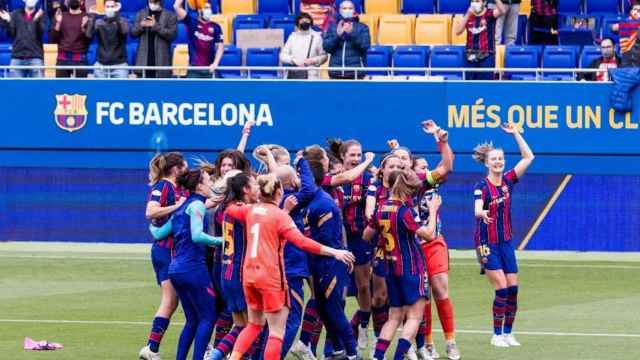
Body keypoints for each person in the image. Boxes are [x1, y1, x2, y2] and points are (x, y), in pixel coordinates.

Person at [226, 174, 355, 360]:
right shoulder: (280, 216)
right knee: (277, 332)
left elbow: (230, 208)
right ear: (279, 192)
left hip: (248, 276)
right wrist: (335, 252)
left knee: (254, 325)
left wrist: (227, 189)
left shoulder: (250, 210)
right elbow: (302, 242)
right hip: (270, 277)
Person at [363, 171, 442, 360]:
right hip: (412, 267)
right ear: (408, 190)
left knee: (394, 316)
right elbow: (429, 234)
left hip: (391, 268)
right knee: (414, 316)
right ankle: (398, 357)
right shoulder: (405, 212)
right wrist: (433, 210)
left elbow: (366, 235)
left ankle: (378, 356)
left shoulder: (381, 208)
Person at [473, 123, 534, 348]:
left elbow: (528, 157)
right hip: (486, 243)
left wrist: (516, 133)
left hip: (506, 241)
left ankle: (508, 333)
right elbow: (477, 208)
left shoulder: (508, 181)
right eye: (494, 159)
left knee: (513, 289)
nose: (498, 161)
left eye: (500, 158)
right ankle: (496, 334)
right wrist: (482, 212)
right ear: (486, 163)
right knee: (502, 288)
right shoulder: (482, 186)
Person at [139, 152, 188, 360]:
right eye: (184, 166)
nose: (186, 169)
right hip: (165, 250)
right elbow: (150, 212)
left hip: (173, 250)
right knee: (171, 300)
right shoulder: (163, 186)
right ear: (176, 168)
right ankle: (150, 348)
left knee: (175, 300)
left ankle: (152, 347)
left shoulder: (177, 187)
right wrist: (177, 207)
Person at [207, 172, 260, 360]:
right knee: (253, 328)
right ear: (245, 189)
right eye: (255, 184)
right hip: (239, 274)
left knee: (240, 327)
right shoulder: (245, 210)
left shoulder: (227, 207)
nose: (259, 187)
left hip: (226, 273)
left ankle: (214, 357)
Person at [453, 0, 505, 81]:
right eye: (473, 1)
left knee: (486, 86)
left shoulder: (489, 14)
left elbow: (502, 11)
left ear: (484, 3)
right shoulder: (467, 15)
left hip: (487, 55)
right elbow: (457, 32)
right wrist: (467, 15)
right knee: (470, 86)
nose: (474, 3)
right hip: (470, 55)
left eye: (477, 1)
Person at [174, 0, 224, 78]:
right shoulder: (192, 22)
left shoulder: (216, 27)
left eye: (210, 8)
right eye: (206, 8)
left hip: (210, 68)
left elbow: (220, 47)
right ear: (200, 11)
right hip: (194, 69)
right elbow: (176, 6)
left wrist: (215, 63)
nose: (209, 10)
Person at [323, 0, 370, 80]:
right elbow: (327, 48)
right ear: (340, 10)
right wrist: (337, 36)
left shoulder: (362, 27)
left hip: (355, 73)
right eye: (344, 8)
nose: (347, 10)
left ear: (354, 10)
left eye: (350, 8)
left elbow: (365, 46)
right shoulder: (333, 27)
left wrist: (352, 33)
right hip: (335, 73)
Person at [131, 0, 178, 78]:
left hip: (162, 62)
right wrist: (141, 26)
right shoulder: (140, 14)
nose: (152, 4)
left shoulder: (170, 15)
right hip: (143, 61)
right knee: (142, 89)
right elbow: (132, 33)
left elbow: (172, 35)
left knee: (161, 89)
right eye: (151, 1)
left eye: (155, 2)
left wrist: (156, 26)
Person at [0, 0, 47, 78]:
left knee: (38, 88)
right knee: (15, 88)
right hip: (17, 57)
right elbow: (10, 34)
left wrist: (37, 20)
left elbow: (42, 32)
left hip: (35, 57)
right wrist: (8, 21)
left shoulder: (41, 14)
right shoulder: (15, 14)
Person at [84, 0, 129, 78]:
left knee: (121, 89)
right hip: (101, 65)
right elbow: (88, 35)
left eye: (112, 6)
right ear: (104, 8)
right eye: (107, 7)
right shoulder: (99, 22)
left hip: (120, 66)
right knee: (100, 89)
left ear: (116, 7)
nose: (110, 9)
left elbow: (124, 31)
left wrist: (117, 15)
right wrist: (93, 16)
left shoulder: (122, 20)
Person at [49, 0, 91, 78]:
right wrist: (58, 23)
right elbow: (53, 40)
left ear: (82, 2)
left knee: (80, 88)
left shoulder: (86, 17)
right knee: (62, 88)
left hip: (80, 58)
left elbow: (88, 39)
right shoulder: (60, 16)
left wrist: (83, 27)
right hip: (62, 58)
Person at [280, 12, 327, 80]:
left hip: (312, 76)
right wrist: (293, 60)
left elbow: (324, 56)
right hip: (293, 75)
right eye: (302, 21)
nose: (305, 22)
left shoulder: (317, 37)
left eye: (307, 21)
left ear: (310, 23)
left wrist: (313, 60)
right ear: (298, 24)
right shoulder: (292, 37)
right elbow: (282, 56)